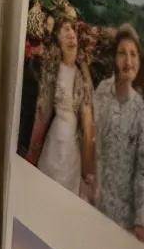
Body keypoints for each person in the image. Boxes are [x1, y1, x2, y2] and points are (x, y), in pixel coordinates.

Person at [91, 24, 144, 240]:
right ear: (114, 60)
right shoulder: (101, 92)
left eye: (133, 54)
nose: (129, 61)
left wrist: (141, 221)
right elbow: (89, 140)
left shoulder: (140, 109)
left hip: (123, 220)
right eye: (122, 53)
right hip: (93, 203)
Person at [25, 15, 94, 196]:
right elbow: (43, 112)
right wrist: (33, 152)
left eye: (73, 29)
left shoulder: (81, 75)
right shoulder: (53, 67)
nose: (71, 33)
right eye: (65, 29)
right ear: (57, 38)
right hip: (55, 141)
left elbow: (88, 124)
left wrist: (88, 168)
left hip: (73, 149)